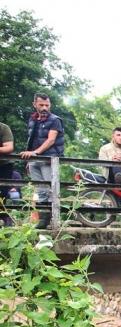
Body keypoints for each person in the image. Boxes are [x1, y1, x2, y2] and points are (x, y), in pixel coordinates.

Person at [19, 93, 65, 228]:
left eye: (47, 105)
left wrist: (35, 153)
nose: (44, 107)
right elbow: (31, 140)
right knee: (40, 190)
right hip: (34, 159)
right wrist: (29, 159)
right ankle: (43, 220)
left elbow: (51, 140)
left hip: (48, 158)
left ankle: (53, 220)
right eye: (41, 105)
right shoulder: (32, 120)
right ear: (35, 104)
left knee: (51, 189)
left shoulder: (55, 119)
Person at [0, 122, 16, 226]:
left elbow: (9, 147)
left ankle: (2, 222)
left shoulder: (3, 127)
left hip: (3, 165)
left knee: (2, 195)